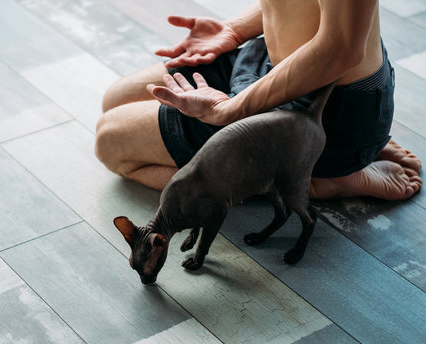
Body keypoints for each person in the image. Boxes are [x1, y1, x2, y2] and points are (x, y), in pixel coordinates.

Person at [95, 0, 422, 200]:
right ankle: (350, 153)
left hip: (325, 112)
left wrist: (232, 110)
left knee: (111, 144)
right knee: (116, 98)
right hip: (270, 63)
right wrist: (234, 30)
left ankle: (318, 179)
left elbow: (342, 47)